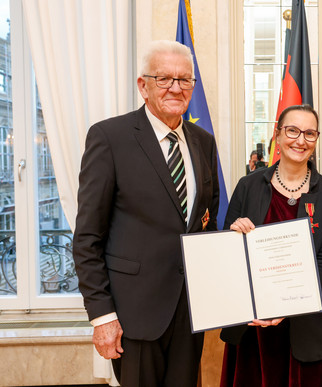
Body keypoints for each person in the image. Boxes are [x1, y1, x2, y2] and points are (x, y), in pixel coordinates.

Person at [72, 40, 220, 386]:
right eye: (164, 78)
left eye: (184, 80)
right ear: (143, 85)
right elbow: (87, 239)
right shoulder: (110, 137)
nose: (175, 88)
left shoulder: (203, 141)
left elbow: (205, 223)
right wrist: (102, 316)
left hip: (189, 313)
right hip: (133, 316)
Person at [220, 104, 322, 387]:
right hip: (252, 327)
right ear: (277, 134)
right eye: (292, 130)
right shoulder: (248, 185)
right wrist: (233, 233)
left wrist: (285, 303)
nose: (300, 140)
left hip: (307, 327)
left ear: (316, 139)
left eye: (310, 133)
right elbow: (228, 255)